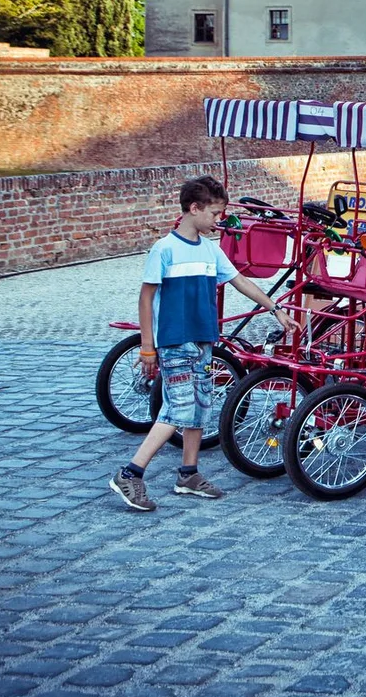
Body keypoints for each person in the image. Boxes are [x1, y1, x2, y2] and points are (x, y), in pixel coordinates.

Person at [109, 176, 291, 511]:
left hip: (204, 341)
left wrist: (275, 309)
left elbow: (239, 281)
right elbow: (146, 300)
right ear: (194, 209)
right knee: (177, 409)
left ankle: (188, 474)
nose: (219, 219)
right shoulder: (164, 249)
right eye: (215, 212)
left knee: (200, 407)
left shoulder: (211, 250)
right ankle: (130, 473)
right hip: (175, 342)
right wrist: (147, 347)